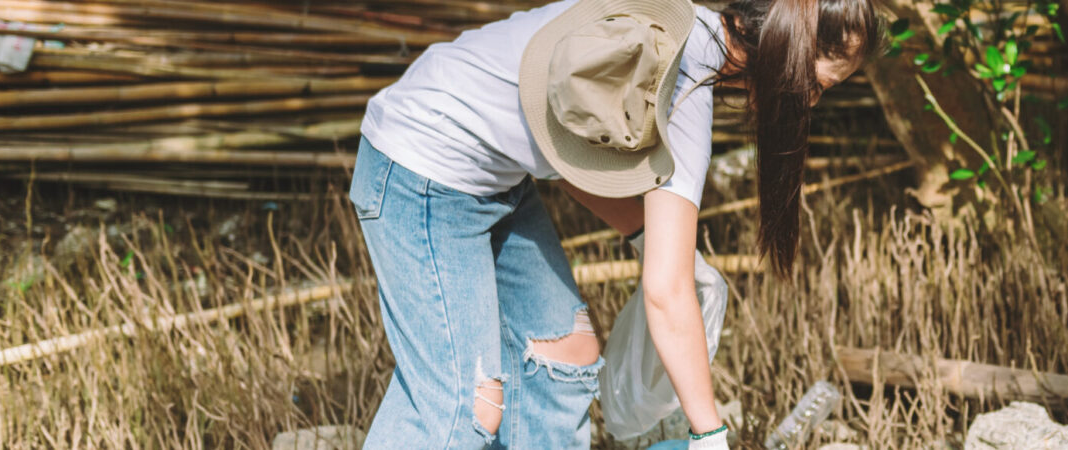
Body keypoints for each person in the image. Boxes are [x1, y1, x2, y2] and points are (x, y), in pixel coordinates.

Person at [346, 0, 877, 447]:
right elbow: (666, 295)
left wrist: (653, 242)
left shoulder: (672, 32)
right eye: (818, 83)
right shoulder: (680, 84)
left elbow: (572, 154)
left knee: (566, 357)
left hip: (493, 178)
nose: (809, 99)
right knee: (468, 403)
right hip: (421, 168)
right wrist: (709, 434)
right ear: (785, 51)